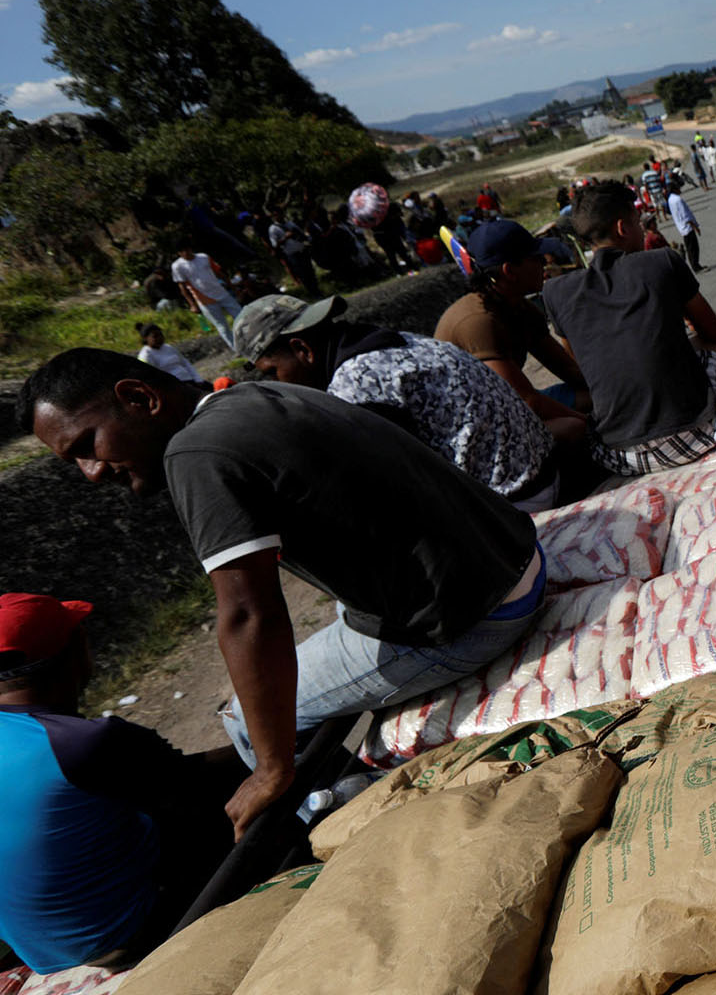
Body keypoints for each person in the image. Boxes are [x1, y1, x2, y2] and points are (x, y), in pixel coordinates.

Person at [18, 350, 546, 839]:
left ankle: (351, 826)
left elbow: (249, 615)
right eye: (74, 463)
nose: (90, 473)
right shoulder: (246, 398)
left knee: (245, 720)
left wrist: (271, 769)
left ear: (140, 399)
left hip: (473, 616)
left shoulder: (194, 452)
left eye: (87, 445)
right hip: (516, 558)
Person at [0, 594, 242, 973]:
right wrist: (270, 739)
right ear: (73, 651)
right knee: (239, 787)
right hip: (128, 937)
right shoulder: (81, 742)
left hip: (45, 957)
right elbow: (195, 781)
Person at [235, 295, 568, 512]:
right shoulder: (390, 340)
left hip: (517, 501)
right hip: (540, 472)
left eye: (273, 372)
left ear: (302, 349)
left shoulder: (354, 383)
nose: (278, 383)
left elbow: (400, 490)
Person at [553, 183, 716, 477]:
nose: (642, 230)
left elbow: (579, 364)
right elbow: (712, 330)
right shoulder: (662, 260)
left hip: (621, 456)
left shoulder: (556, 292)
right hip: (701, 436)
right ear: (622, 227)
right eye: (637, 222)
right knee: (706, 344)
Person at [433, 219, 594, 441]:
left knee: (593, 398)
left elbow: (569, 370)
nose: (545, 263)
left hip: (510, 406)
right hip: (478, 428)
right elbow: (528, 401)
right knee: (571, 428)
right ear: (510, 271)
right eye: (536, 259)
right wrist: (590, 424)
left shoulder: (519, 307)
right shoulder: (478, 322)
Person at [170, 246, 243, 352]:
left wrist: (233, 288)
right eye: (182, 251)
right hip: (205, 300)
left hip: (221, 292)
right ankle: (237, 349)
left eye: (187, 249)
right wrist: (193, 305)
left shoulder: (203, 257)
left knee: (241, 317)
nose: (186, 252)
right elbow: (183, 288)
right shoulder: (177, 266)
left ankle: (250, 340)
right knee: (222, 326)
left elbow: (219, 273)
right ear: (179, 253)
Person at [265, 210, 319, 297]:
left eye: (279, 213)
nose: (278, 216)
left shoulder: (290, 223)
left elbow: (301, 234)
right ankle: (313, 292)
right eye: (275, 215)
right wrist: (285, 238)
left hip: (302, 249)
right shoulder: (273, 229)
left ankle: (317, 290)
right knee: (303, 273)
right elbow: (275, 245)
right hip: (292, 253)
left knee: (310, 271)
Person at [134, 323, 201, 383]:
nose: (159, 338)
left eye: (161, 335)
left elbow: (185, 363)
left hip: (189, 379)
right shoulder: (146, 355)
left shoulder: (168, 347)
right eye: (155, 336)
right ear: (145, 338)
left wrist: (198, 379)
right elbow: (153, 377)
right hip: (175, 386)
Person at [664, 179, 702, 271]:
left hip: (681, 227)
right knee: (693, 248)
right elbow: (686, 215)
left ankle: (695, 265)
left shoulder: (671, 199)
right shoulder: (677, 199)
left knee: (690, 248)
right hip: (687, 227)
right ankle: (696, 266)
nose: (680, 189)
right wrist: (695, 227)